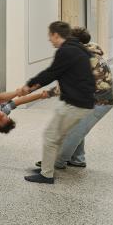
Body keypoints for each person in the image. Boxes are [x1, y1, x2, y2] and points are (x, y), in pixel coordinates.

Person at [18, 21, 95, 184]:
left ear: (55, 34)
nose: (49, 40)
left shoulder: (66, 51)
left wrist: (29, 85)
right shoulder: (77, 48)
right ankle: (48, 168)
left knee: (51, 136)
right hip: (81, 102)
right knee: (57, 136)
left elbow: (50, 74)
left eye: (49, 36)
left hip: (76, 104)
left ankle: (46, 175)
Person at [36, 26, 113, 170]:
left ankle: (56, 162)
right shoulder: (90, 51)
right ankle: (78, 159)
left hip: (100, 101)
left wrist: (48, 93)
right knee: (77, 126)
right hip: (98, 98)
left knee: (74, 132)